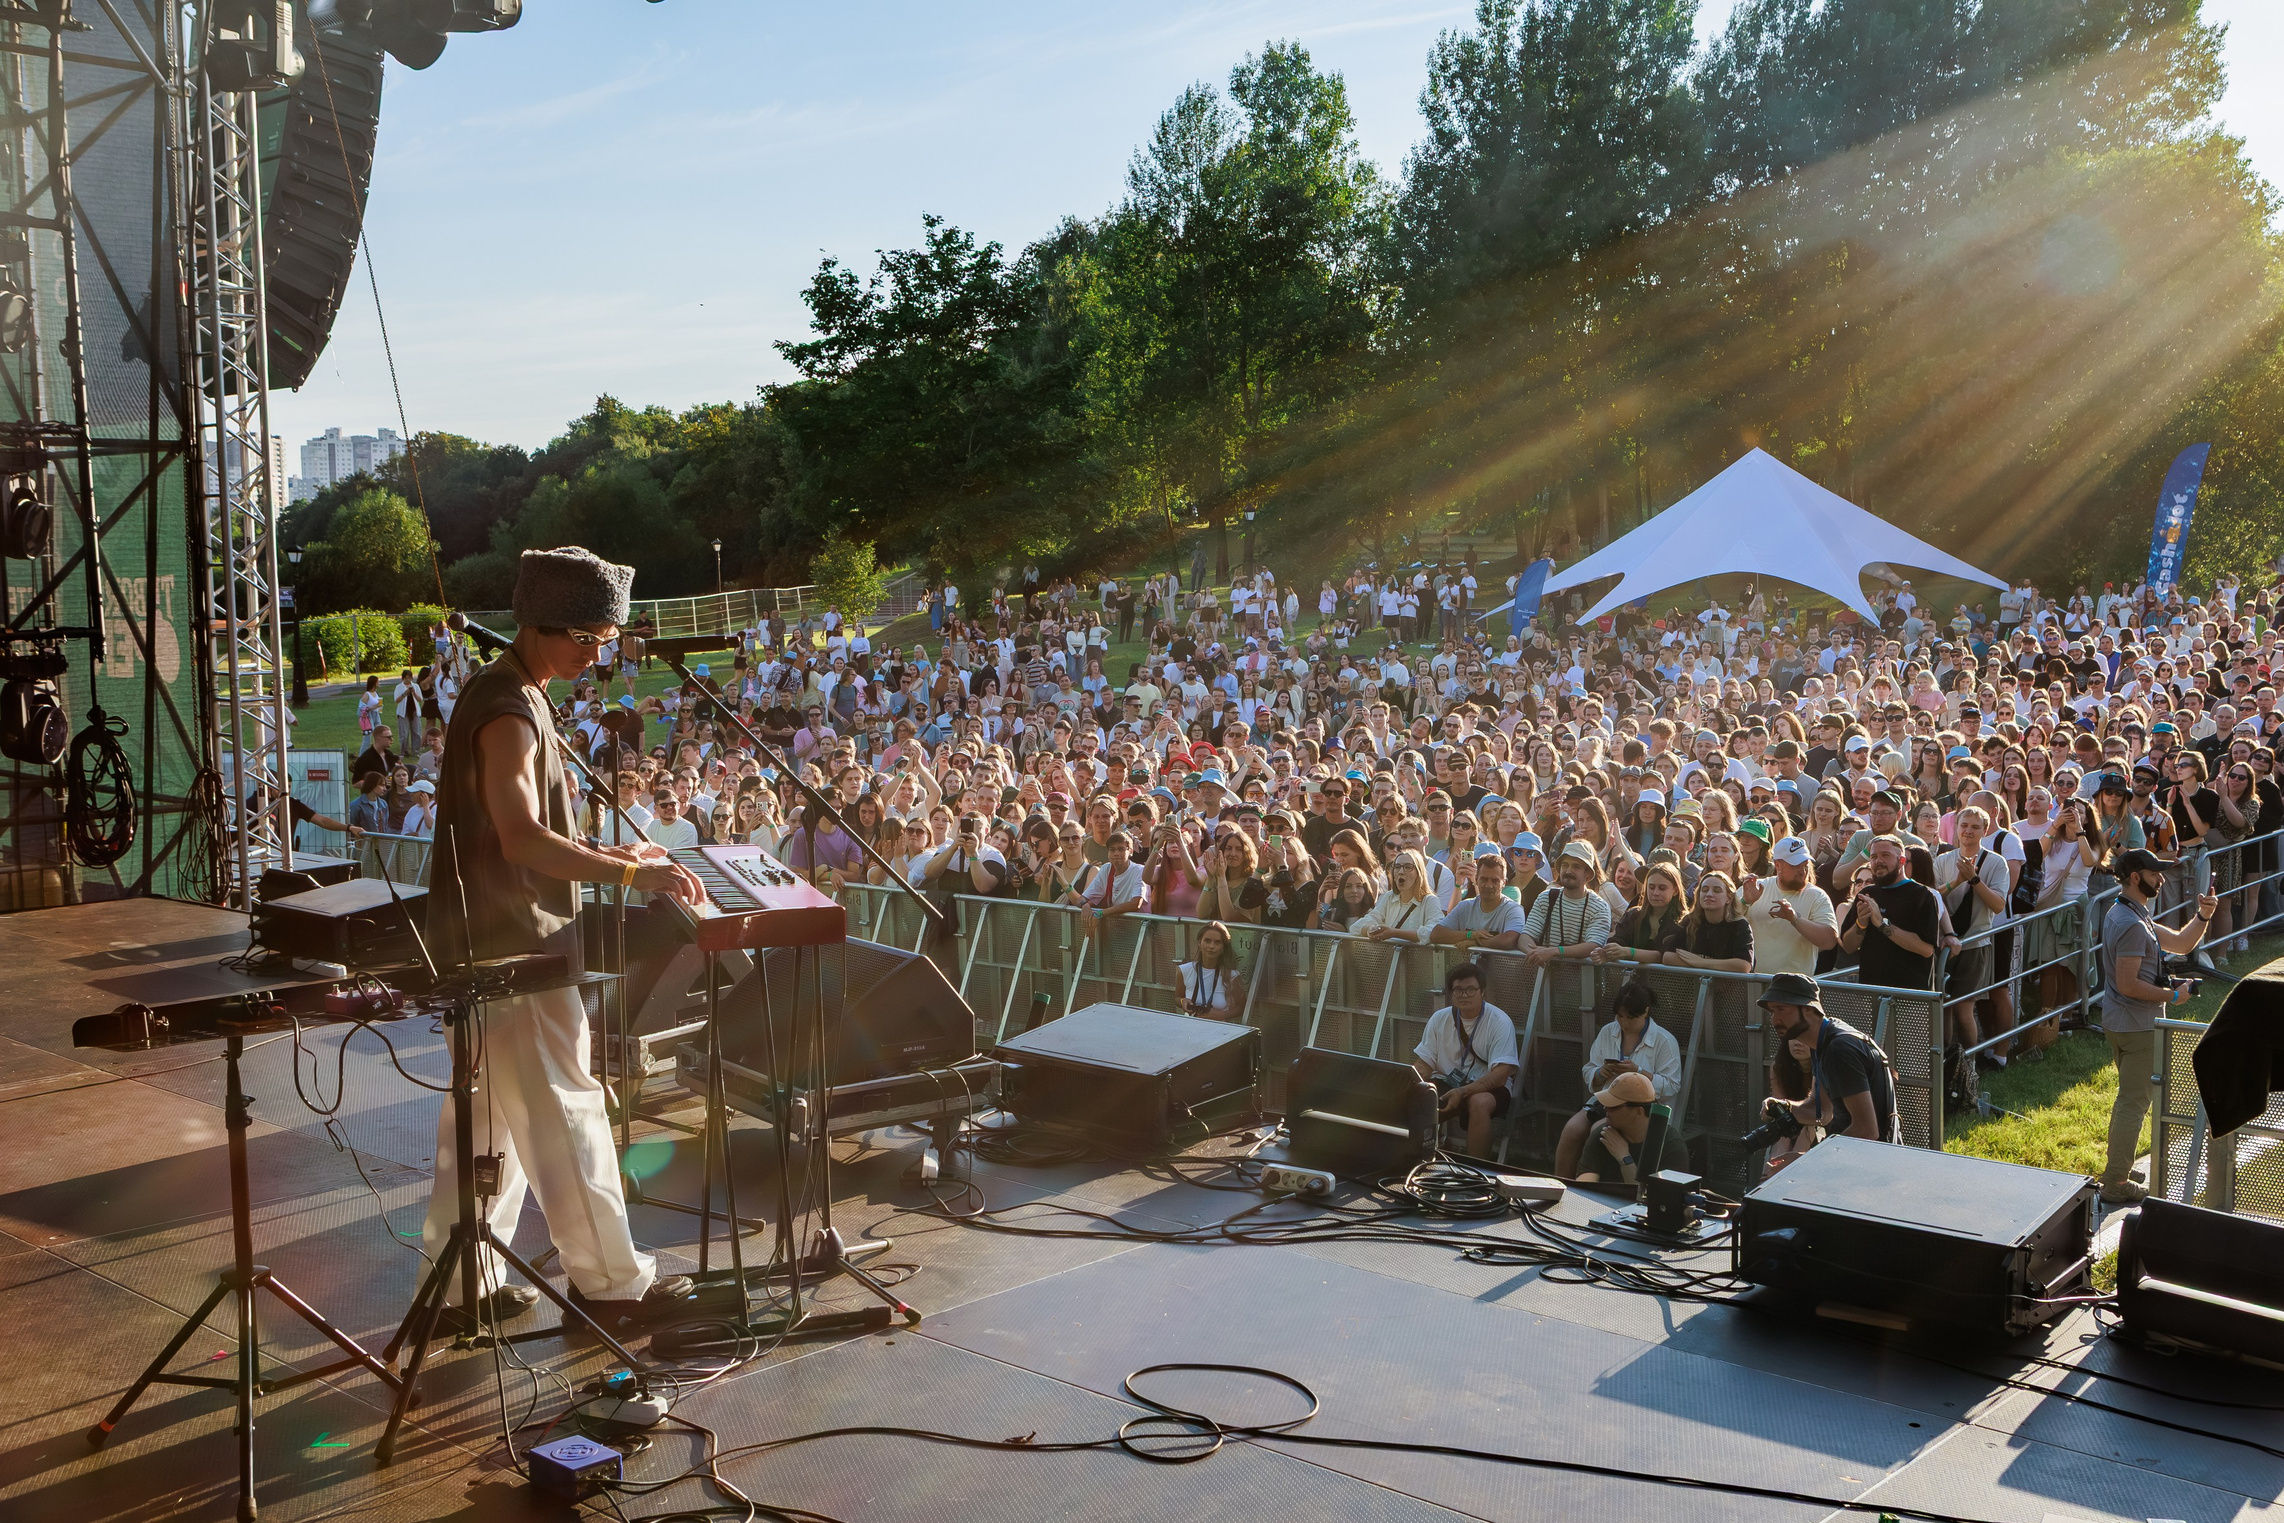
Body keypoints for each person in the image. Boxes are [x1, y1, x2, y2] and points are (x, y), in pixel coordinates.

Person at [421, 547, 703, 1334]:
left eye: (606, 638)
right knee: (566, 1111)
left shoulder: (517, 693)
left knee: (484, 1124)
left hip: (489, 942)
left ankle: (459, 1287)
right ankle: (611, 1282)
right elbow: (519, 839)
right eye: (589, 637)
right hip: (515, 949)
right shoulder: (508, 709)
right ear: (545, 626)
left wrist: (617, 855)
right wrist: (629, 881)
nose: (598, 654)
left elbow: (532, 837)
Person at [2095, 847, 2218, 1204]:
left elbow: (2180, 942)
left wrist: (2203, 915)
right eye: (2154, 873)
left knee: (2128, 1100)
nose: (2161, 878)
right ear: (2135, 877)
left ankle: (2119, 1164)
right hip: (2138, 1026)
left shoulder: (2129, 911)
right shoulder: (2132, 924)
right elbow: (2129, 983)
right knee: (2133, 1103)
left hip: (2122, 1022)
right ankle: (2116, 1181)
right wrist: (2174, 995)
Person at [1554, 981, 1682, 1177]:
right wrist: (1601, 1073)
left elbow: (1671, 1086)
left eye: (1630, 1018)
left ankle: (1596, 1186)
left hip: (1640, 1107)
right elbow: (1589, 1070)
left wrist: (1639, 1072)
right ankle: (1561, 1185)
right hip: (1605, 1099)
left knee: (1599, 1130)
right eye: (1620, 1016)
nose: (1623, 1023)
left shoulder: (1664, 1040)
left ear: (1645, 1012)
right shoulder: (1608, 1031)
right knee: (1571, 1130)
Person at [1758, 971, 1898, 1146]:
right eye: (1772, 1011)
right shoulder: (1822, 1042)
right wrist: (1785, 1106)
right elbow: (1821, 1111)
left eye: (1781, 1009)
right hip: (1855, 1156)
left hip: (1871, 1162)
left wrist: (1810, 1160)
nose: (1775, 1020)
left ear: (1808, 1008)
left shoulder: (1839, 1049)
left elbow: (1866, 1131)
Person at [1410, 962, 1519, 1157]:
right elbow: (1425, 1062)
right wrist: (1414, 1078)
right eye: (1458, 990)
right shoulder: (1439, 1018)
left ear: (1482, 992)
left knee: (1479, 1102)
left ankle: (1476, 1170)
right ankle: (1416, 1159)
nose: (1464, 995)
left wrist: (1463, 1091)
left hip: (1489, 1086)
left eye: (1470, 989)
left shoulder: (1499, 1021)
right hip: (1446, 1080)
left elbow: (1501, 1074)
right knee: (1416, 1093)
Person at [1836, 834, 1942, 990]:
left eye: (1885, 855)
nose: (1878, 861)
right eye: (1873, 857)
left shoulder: (1922, 895)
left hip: (1911, 994)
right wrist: (1861, 923)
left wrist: (1882, 924)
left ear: (1902, 861)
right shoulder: (1866, 894)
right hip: (1872, 991)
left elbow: (1926, 950)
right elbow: (1848, 946)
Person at [1741, 836, 1838, 977]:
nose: (1802, 871)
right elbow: (1725, 923)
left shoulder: (1816, 895)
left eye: (1805, 865)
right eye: (1795, 866)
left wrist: (1794, 919)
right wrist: (1745, 902)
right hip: (1753, 983)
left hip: (1796, 988)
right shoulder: (1755, 888)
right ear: (1778, 865)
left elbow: (1829, 941)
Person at [1176, 920, 1247, 1021]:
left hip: (1219, 1030)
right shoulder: (1184, 970)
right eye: (1207, 941)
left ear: (1223, 948)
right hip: (1190, 1029)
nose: (1211, 946)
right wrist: (1183, 1001)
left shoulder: (1232, 975)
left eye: (1217, 942)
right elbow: (1177, 998)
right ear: (1199, 943)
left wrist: (1223, 1015)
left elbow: (1242, 1007)